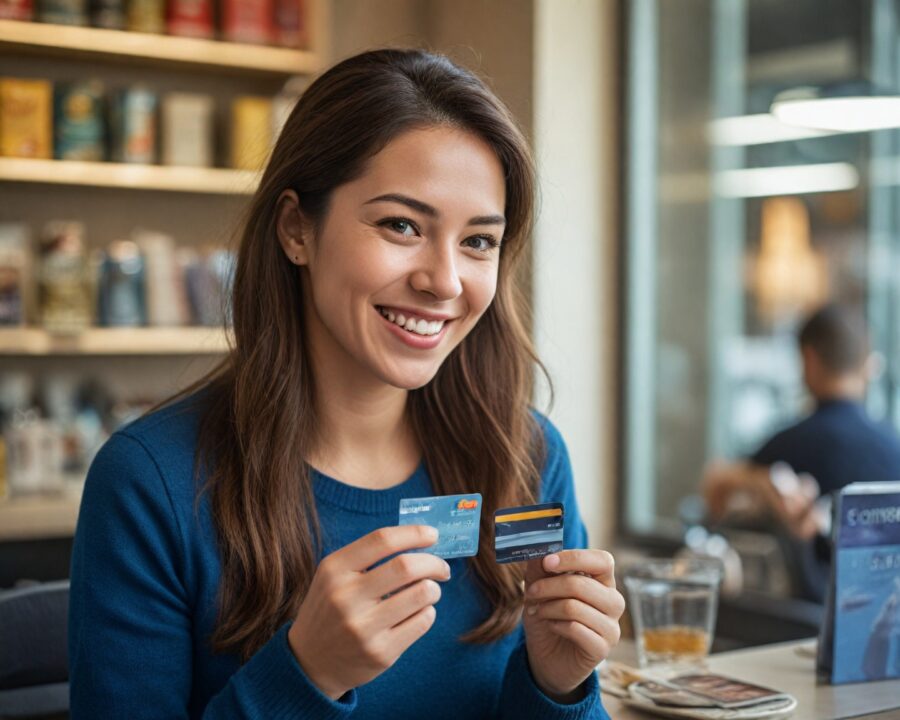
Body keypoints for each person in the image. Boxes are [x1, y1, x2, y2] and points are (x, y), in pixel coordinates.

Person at [68, 49, 624, 719]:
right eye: (401, 226)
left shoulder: (526, 456)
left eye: (478, 241)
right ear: (296, 228)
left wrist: (557, 687)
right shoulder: (148, 483)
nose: (444, 281)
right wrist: (304, 677)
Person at [703, 303, 900, 601]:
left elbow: (714, 493)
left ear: (808, 359)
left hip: (804, 625)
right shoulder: (893, 447)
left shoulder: (786, 447)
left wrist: (757, 480)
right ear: (868, 366)